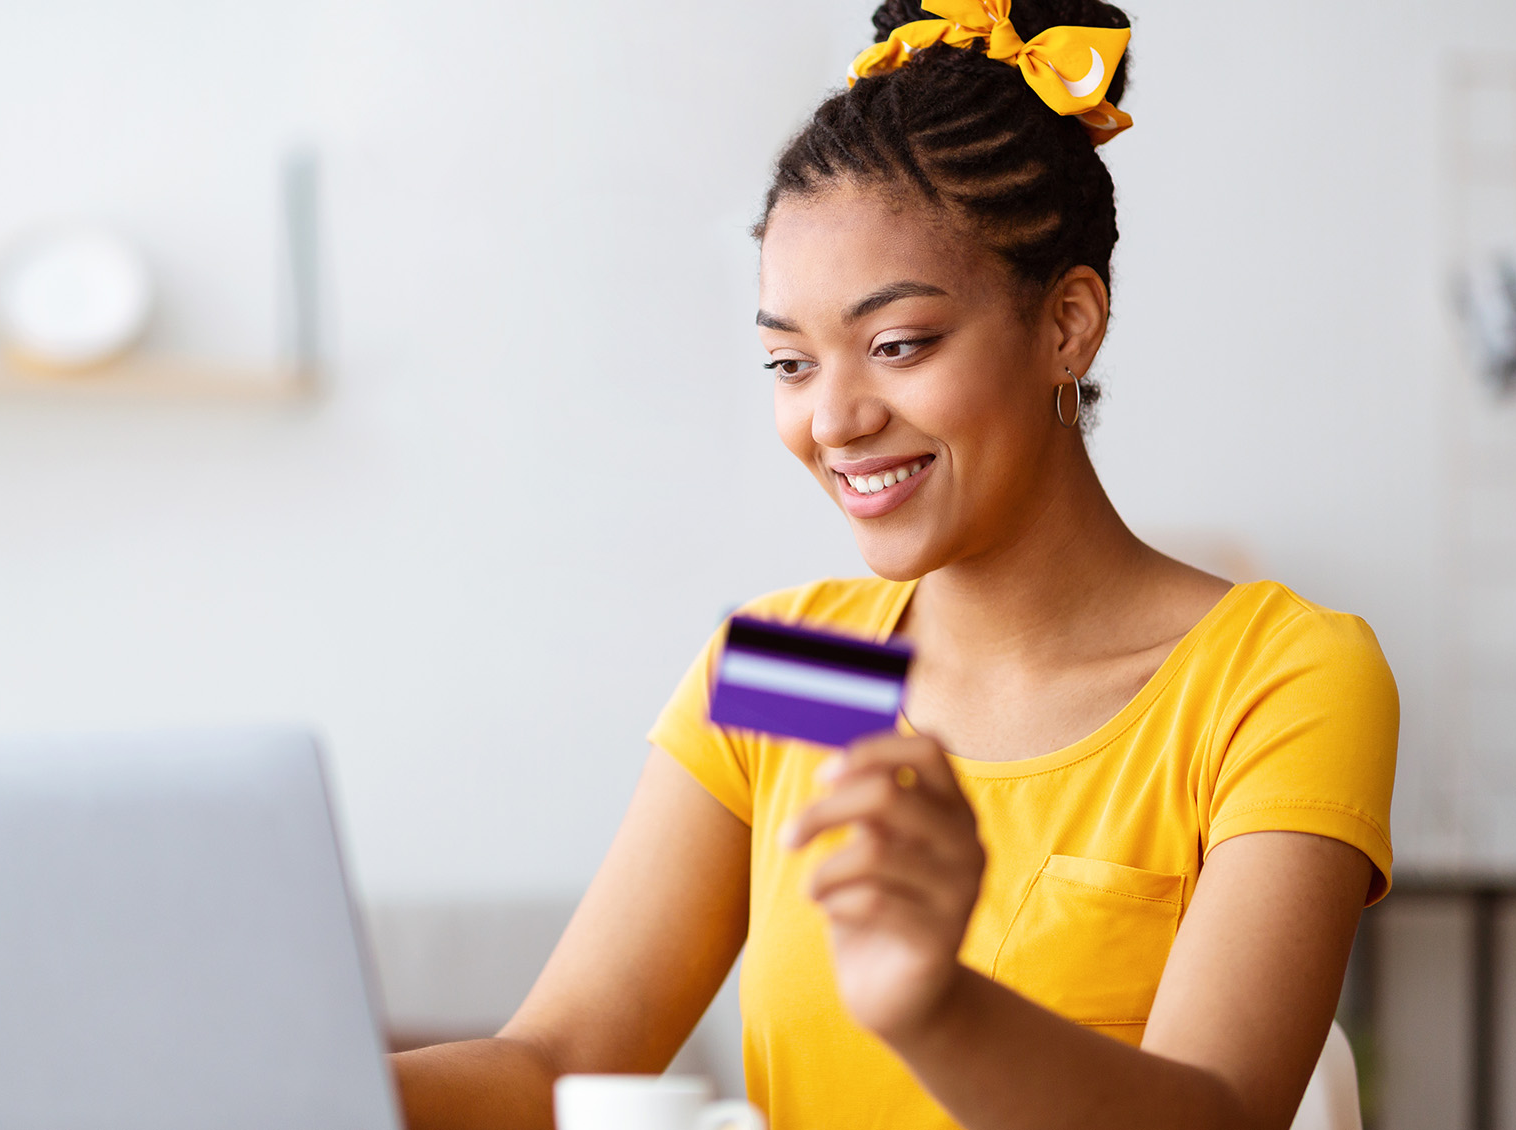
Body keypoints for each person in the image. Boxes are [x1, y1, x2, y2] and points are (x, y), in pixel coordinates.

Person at [393, 1, 1398, 1126]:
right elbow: (555, 1064)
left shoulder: (1272, 677)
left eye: (897, 344)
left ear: (1067, 323)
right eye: (787, 360)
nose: (832, 418)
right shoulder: (798, 665)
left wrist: (930, 1001)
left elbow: (1217, 1114)